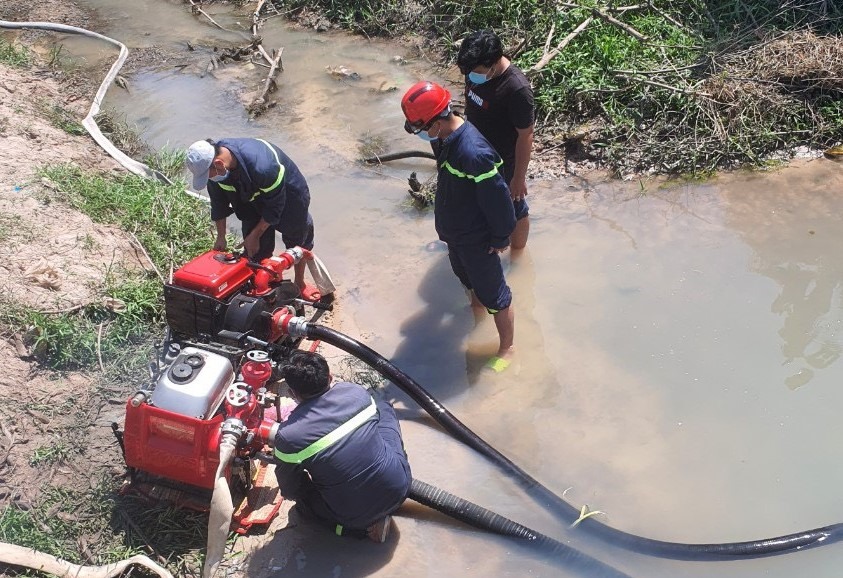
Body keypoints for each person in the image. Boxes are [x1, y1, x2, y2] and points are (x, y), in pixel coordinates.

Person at [401, 80, 516, 371]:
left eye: (420, 127)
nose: (421, 134)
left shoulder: (474, 154)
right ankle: (477, 316)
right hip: (456, 236)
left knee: (496, 296)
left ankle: (508, 348)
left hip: (477, 239)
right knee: (468, 282)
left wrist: (501, 237)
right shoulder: (444, 140)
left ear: (436, 122)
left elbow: (499, 200)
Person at [272, 351, 411, 543]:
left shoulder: (289, 436)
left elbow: (290, 490)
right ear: (329, 377)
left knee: (303, 508)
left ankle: (362, 532)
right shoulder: (356, 392)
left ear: (292, 393)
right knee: (384, 409)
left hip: (356, 516)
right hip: (401, 486)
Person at [185, 137, 319, 300]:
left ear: (219, 164)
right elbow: (219, 203)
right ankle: (266, 285)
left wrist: (255, 235)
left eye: (208, 175)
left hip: (286, 195)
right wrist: (221, 237)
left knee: (297, 239)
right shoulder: (214, 173)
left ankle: (300, 283)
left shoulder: (263, 166)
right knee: (254, 250)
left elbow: (275, 206)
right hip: (249, 197)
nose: (209, 179)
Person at [457, 29, 534, 251]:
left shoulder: (516, 89)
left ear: (493, 63)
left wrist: (518, 178)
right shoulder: (475, 70)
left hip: (503, 160)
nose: (470, 76)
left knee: (515, 206)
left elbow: (526, 135)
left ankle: (518, 255)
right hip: (475, 151)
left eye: (476, 71)